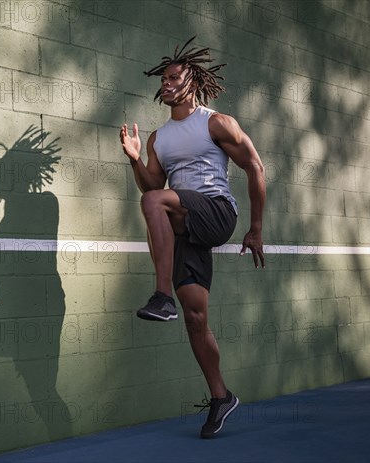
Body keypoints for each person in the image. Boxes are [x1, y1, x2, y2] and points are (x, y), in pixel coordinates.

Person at [119, 36, 266, 438]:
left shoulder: (216, 122)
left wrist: (255, 228)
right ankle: (221, 396)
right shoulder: (158, 137)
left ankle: (161, 295)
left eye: (173, 78)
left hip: (216, 212)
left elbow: (255, 167)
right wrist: (135, 159)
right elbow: (152, 184)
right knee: (196, 316)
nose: (165, 84)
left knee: (154, 202)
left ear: (193, 83)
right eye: (163, 80)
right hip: (185, 221)